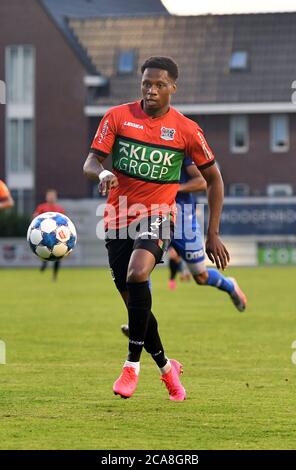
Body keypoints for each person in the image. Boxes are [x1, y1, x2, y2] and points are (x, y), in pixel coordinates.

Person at [83, 56, 230, 401]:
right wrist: (103, 173)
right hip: (118, 219)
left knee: (138, 274)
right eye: (146, 83)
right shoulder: (117, 117)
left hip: (159, 215)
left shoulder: (186, 130)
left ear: (173, 88)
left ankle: (131, 365)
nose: (151, 90)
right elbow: (91, 160)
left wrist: (212, 232)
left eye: (159, 84)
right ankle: (167, 368)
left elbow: (214, 179)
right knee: (137, 306)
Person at [168, 158, 247, 310]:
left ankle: (230, 286)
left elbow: (203, 181)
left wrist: (175, 188)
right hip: (153, 216)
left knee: (200, 276)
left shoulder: (182, 147)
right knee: (142, 268)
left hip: (183, 222)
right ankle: (140, 320)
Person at [33, 189, 65, 281]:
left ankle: (54, 276)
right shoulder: (41, 207)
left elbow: (64, 223)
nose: (51, 198)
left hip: (56, 237)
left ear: (56, 197)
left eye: (53, 196)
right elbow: (36, 218)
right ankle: (44, 263)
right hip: (45, 236)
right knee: (45, 251)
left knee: (58, 256)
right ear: (46, 197)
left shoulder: (60, 209)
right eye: (49, 196)